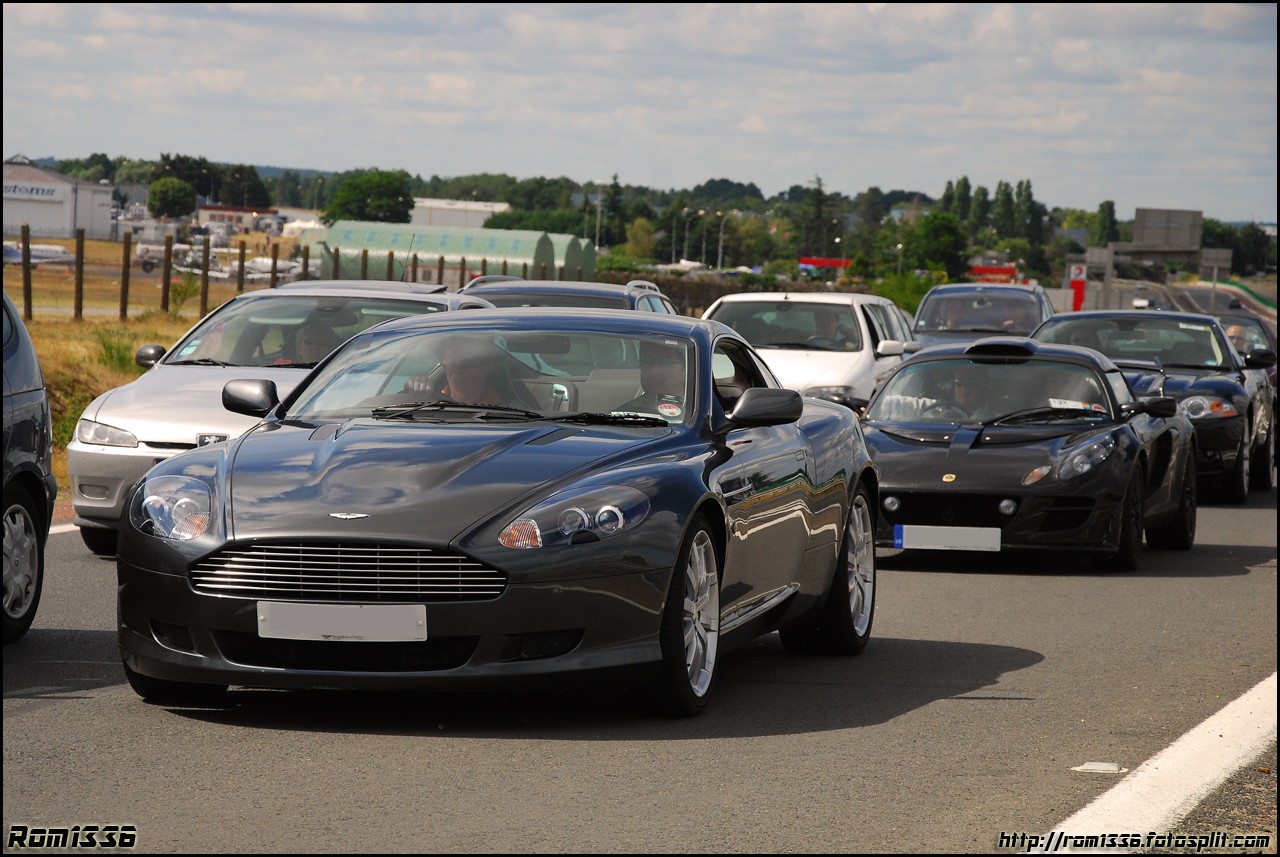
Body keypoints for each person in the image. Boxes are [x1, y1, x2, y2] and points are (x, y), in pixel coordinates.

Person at [406, 334, 530, 408]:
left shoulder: (512, 411)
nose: (459, 363)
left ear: (488, 363)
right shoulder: (430, 401)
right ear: (444, 359)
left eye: (468, 357)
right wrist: (414, 394)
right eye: (454, 354)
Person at [618, 340, 688, 418]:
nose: (654, 370)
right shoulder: (620, 417)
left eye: (665, 363)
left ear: (685, 368)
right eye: (647, 361)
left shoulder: (697, 414)